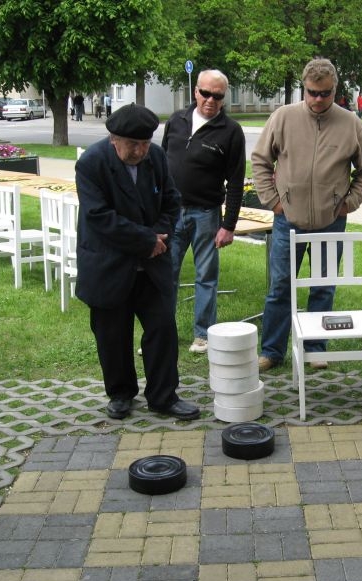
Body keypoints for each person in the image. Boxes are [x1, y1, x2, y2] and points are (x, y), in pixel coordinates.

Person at [74, 103, 200, 421]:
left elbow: (172, 201)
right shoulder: (91, 163)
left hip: (152, 266)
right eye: (133, 144)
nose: (140, 151)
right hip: (109, 264)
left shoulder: (155, 157)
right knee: (112, 334)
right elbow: (99, 217)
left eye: (145, 143)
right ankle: (120, 394)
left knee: (162, 329)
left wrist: (159, 236)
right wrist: (146, 241)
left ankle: (163, 396)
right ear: (114, 139)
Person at [252, 57, 362, 372]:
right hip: (287, 220)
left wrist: (349, 202)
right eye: (312, 92)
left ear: (335, 89)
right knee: (281, 286)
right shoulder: (283, 118)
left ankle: (315, 347)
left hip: (331, 220)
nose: (318, 99)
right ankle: (272, 351)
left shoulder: (351, 124)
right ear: (304, 88)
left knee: (323, 286)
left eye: (325, 93)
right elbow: (260, 161)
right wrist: (274, 202)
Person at [162, 69, 246, 354]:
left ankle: (203, 334)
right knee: (165, 274)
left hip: (207, 214)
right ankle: (161, 333)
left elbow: (236, 182)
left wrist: (229, 225)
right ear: (196, 91)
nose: (211, 100)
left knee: (206, 276)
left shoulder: (231, 131)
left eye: (217, 96)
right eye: (206, 93)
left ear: (224, 97)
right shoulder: (176, 120)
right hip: (172, 212)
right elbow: (160, 166)